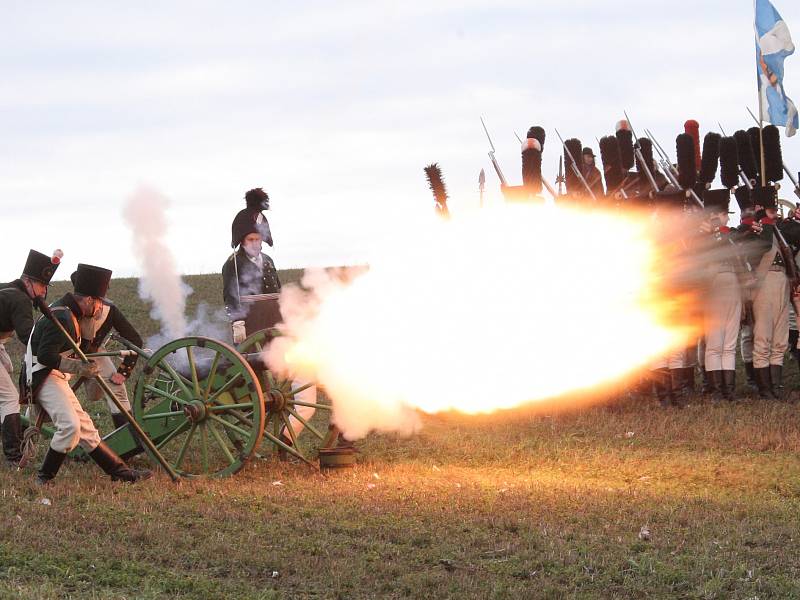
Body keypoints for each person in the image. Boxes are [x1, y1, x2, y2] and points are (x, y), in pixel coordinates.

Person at [25, 263, 151, 484]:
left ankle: (120, 473)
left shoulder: (67, 312)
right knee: (71, 427)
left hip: (55, 376)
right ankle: (43, 479)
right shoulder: (63, 317)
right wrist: (78, 368)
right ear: (89, 300)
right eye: (99, 301)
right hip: (43, 376)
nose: (101, 307)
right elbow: (45, 356)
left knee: (86, 429)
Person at [0, 250, 60, 465]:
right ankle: (14, 456)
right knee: (8, 398)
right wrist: (52, 351)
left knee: (5, 376)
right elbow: (29, 338)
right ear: (27, 281)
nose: (43, 292)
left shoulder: (8, 290)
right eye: (41, 286)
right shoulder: (20, 299)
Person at [69, 271, 144, 439]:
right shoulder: (64, 308)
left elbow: (134, 339)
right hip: (65, 354)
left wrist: (123, 372)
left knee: (117, 391)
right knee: (50, 390)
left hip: (94, 354)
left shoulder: (110, 310)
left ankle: (127, 441)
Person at [698, 190, 742, 400]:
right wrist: (710, 232)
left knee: (730, 342)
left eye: (725, 215)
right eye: (722, 214)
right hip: (713, 286)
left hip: (733, 284)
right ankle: (716, 390)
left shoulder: (730, 234)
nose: (725, 218)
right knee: (715, 342)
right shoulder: (702, 237)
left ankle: (728, 389)